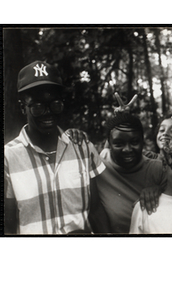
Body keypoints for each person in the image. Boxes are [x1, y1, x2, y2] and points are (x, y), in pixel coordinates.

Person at [4, 60, 109, 234]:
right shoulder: (8, 157)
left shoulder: (82, 147)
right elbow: (8, 225)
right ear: (23, 107)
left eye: (55, 103)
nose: (48, 112)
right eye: (37, 106)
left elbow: (96, 209)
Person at [94, 112, 167, 234]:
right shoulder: (98, 168)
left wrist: (160, 191)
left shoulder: (158, 169)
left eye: (134, 142)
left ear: (143, 141)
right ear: (110, 144)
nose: (127, 149)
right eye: (119, 144)